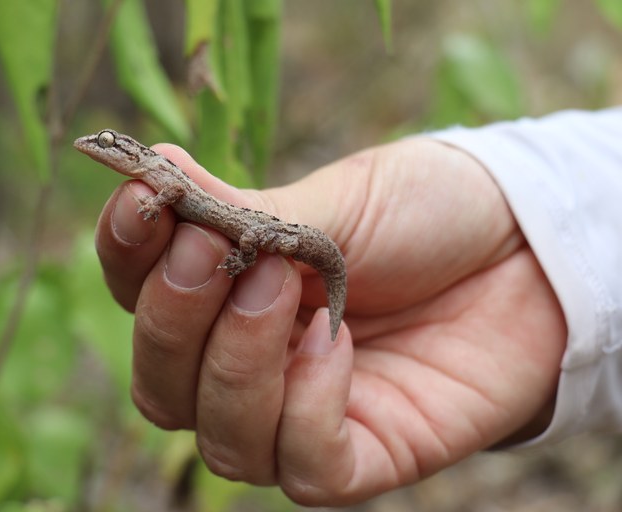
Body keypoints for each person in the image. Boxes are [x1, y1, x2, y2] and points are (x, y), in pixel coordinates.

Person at [94, 108, 622, 506]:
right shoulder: (159, 178)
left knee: (250, 253)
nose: (99, 149)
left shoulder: (160, 177)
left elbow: (181, 201)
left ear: (131, 153)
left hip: (258, 229)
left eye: (106, 144)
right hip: (263, 234)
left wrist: (233, 254)